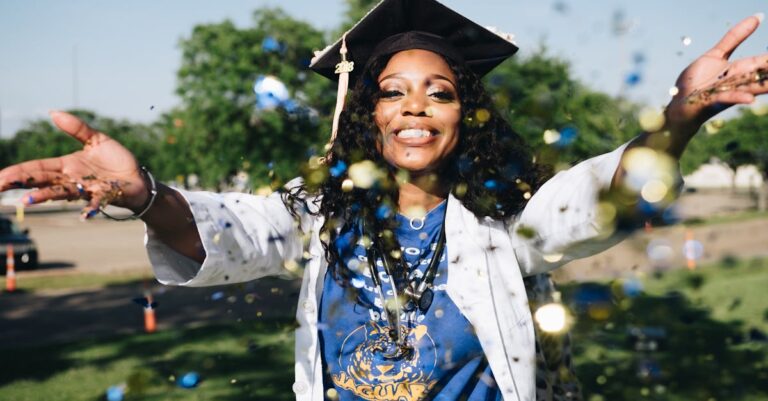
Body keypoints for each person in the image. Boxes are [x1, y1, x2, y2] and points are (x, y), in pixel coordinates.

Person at [1, 0, 766, 400]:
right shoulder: (321, 215)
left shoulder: (508, 220)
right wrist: (145, 196)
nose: (414, 107)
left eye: (439, 92)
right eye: (392, 92)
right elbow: (232, 231)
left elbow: (597, 196)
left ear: (466, 112)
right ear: (366, 112)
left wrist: (680, 118)